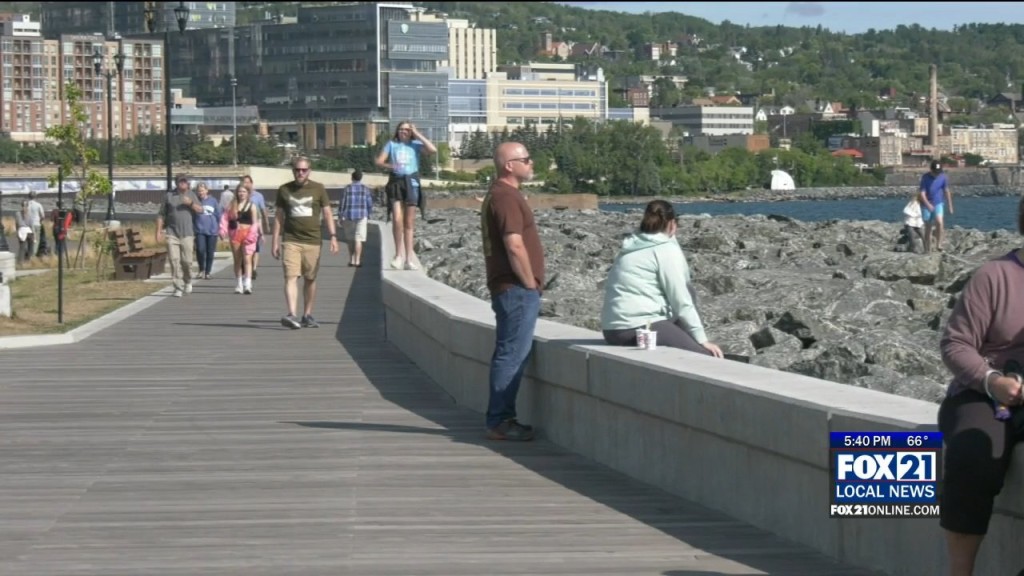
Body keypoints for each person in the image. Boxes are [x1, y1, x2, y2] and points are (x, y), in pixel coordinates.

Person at [938, 195, 1024, 576]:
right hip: (985, 394)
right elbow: (955, 343)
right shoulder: (995, 276)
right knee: (972, 455)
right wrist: (993, 381)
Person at [600, 200, 724, 358]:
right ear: (672, 224)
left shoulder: (634, 244)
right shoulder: (664, 250)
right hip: (638, 326)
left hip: (612, 330)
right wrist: (702, 340)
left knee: (688, 295)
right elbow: (681, 299)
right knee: (704, 357)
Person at [480, 141, 545, 442]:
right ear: (510, 165)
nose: (531, 164)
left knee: (509, 351)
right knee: (511, 354)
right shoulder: (505, 197)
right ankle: (501, 420)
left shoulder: (500, 194)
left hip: (510, 287)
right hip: (516, 289)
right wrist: (529, 283)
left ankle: (501, 418)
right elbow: (513, 242)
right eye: (526, 159)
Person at [272, 156, 339, 329]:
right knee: (290, 276)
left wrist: (333, 236)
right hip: (291, 240)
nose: (300, 173)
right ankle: (292, 314)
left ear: (309, 171)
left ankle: (307, 314)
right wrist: (275, 241)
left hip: (313, 241)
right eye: (297, 170)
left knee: (310, 278)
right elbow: (279, 217)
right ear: (293, 170)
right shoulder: (284, 190)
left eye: (304, 170)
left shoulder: (318, 189)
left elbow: (327, 213)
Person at [375, 120, 437, 270]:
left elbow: (432, 150)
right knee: (397, 219)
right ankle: (398, 255)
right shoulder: (392, 144)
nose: (404, 132)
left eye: (407, 130)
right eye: (401, 129)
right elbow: (379, 161)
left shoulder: (415, 145)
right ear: (397, 131)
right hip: (396, 182)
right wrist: (390, 165)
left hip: (411, 183)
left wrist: (416, 133)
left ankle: (409, 258)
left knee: (409, 223)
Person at [156, 175, 202, 297]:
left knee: (187, 261)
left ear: (187, 184)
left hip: (187, 233)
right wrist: (159, 231)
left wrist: (190, 203)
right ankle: (177, 287)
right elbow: (161, 215)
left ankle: (188, 281)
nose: (183, 184)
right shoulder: (169, 196)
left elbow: (200, 210)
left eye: (184, 182)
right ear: (176, 183)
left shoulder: (191, 195)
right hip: (172, 233)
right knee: (174, 260)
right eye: (180, 182)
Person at [220, 184, 259, 294]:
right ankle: (239, 284)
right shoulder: (231, 206)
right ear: (236, 193)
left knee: (247, 260)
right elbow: (225, 218)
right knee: (237, 260)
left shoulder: (252, 206)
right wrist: (222, 230)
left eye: (244, 192)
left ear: (248, 193)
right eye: (240, 191)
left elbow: (255, 222)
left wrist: (252, 235)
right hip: (235, 234)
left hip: (248, 235)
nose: (241, 194)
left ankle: (248, 283)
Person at [338, 169, 374, 268]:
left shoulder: (347, 189)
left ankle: (351, 260)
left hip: (349, 215)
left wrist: (340, 216)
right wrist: (369, 214)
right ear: (361, 178)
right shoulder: (365, 189)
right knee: (358, 239)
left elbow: (342, 203)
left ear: (352, 178)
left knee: (350, 239)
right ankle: (357, 261)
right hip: (362, 216)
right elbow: (369, 203)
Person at [919, 159, 953, 254]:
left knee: (939, 222)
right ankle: (927, 248)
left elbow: (946, 191)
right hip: (927, 204)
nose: (937, 174)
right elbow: (922, 193)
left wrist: (950, 206)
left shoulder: (943, 177)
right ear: (931, 170)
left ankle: (939, 244)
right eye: (935, 172)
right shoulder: (925, 177)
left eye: (938, 172)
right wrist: (927, 204)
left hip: (938, 203)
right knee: (928, 227)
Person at [241, 175, 269, 281]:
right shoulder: (240, 195)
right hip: (243, 226)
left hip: (256, 225)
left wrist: (266, 223)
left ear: (252, 183)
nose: (246, 184)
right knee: (245, 250)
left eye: (248, 182)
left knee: (256, 249)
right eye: (244, 182)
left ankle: (253, 268)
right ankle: (246, 267)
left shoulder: (258, 196)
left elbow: (263, 209)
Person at [193, 183, 221, 280]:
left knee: (210, 251)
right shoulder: (195, 201)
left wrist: (220, 228)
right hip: (199, 230)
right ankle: (201, 270)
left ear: (206, 190)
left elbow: (218, 215)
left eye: (202, 190)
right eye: (199, 191)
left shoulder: (213, 201)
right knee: (200, 250)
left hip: (212, 230)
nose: (201, 192)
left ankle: (208, 272)